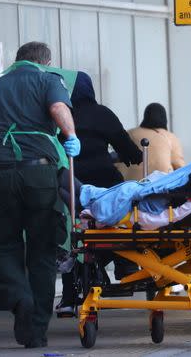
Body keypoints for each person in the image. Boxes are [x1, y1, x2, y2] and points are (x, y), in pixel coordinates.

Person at [0, 41, 81, 349]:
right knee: (42, 250)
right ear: (45, 62)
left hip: (1, 174)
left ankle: (20, 297)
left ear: (17, 61)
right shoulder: (48, 80)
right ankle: (36, 331)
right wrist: (71, 136)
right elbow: (58, 109)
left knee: (3, 247)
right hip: (40, 174)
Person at [56, 71, 143, 314]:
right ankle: (126, 263)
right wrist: (126, 156)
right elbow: (130, 151)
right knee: (121, 221)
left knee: (74, 234)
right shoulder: (102, 113)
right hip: (104, 185)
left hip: (70, 185)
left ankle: (68, 297)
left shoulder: (61, 115)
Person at [122, 102, 184, 180]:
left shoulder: (129, 133)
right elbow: (180, 167)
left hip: (126, 185)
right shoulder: (169, 137)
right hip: (159, 186)